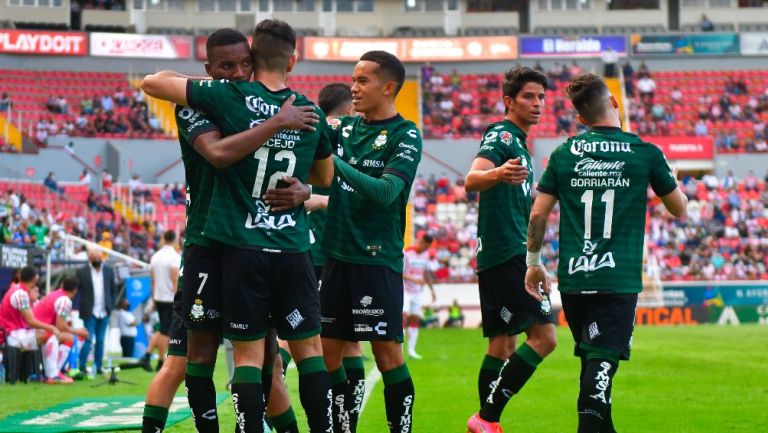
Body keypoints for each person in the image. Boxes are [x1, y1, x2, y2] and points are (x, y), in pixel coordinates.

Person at [141, 21, 335, 433]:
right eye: (224, 66)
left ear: (254, 59)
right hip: (216, 244)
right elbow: (215, 152)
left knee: (258, 358)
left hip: (241, 244)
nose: (234, 72)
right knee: (197, 355)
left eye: (242, 63)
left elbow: (318, 180)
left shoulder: (231, 96)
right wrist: (278, 126)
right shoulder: (297, 108)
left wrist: (303, 190)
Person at [526, 73, 687, 433]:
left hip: (574, 279)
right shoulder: (646, 152)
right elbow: (680, 209)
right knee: (599, 369)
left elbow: (537, 213)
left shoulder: (564, 152)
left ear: (581, 119)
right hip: (617, 280)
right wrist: (674, 180)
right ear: (614, 101)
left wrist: (533, 263)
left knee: (594, 365)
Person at [320, 50, 422, 433]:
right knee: (329, 353)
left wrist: (334, 162)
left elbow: (385, 192)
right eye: (353, 79)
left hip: (377, 259)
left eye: (363, 80)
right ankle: (339, 427)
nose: (354, 87)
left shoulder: (405, 133)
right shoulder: (344, 128)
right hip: (336, 256)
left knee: (387, 355)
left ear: (388, 87)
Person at [464, 66, 557, 433]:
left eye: (541, 98)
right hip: (507, 252)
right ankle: (487, 418)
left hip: (503, 252)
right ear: (509, 101)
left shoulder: (521, 145)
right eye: (529, 97)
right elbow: (472, 179)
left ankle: (487, 424)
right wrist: (498, 174)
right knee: (545, 338)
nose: (537, 104)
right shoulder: (502, 135)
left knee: (502, 345)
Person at [0, 266, 67, 384]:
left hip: (11, 332)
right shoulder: (21, 295)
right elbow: (31, 321)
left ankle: (49, 374)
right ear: (34, 279)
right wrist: (51, 327)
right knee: (50, 335)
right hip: (11, 334)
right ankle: (52, 375)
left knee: (47, 334)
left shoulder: (15, 289)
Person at [139, 230, 180, 372]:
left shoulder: (155, 257)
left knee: (163, 328)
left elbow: (152, 281)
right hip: (170, 298)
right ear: (174, 239)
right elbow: (175, 280)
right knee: (165, 332)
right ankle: (161, 360)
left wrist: (154, 298)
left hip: (159, 296)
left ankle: (147, 355)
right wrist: (179, 299)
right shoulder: (174, 257)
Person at [32, 276, 89, 375]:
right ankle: (55, 372)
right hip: (38, 332)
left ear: (62, 285)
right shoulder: (65, 300)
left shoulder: (55, 294)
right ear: (75, 291)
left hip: (36, 329)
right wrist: (79, 331)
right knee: (72, 338)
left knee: (74, 336)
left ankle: (61, 369)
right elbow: (60, 327)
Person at [73, 248, 117, 376]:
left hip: (104, 310)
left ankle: (98, 366)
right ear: (89, 259)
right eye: (94, 258)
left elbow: (113, 290)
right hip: (89, 310)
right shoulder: (81, 272)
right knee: (88, 338)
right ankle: (81, 365)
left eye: (98, 258)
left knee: (101, 340)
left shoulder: (108, 270)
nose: (97, 260)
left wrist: (111, 305)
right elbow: (77, 291)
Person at [402, 234, 436, 359]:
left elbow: (426, 273)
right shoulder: (407, 253)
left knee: (415, 319)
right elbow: (399, 272)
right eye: (424, 245)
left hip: (418, 292)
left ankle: (411, 351)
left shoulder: (426, 255)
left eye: (428, 247)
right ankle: (399, 352)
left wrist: (432, 290)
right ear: (420, 241)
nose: (425, 249)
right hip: (405, 290)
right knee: (403, 318)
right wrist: (414, 280)